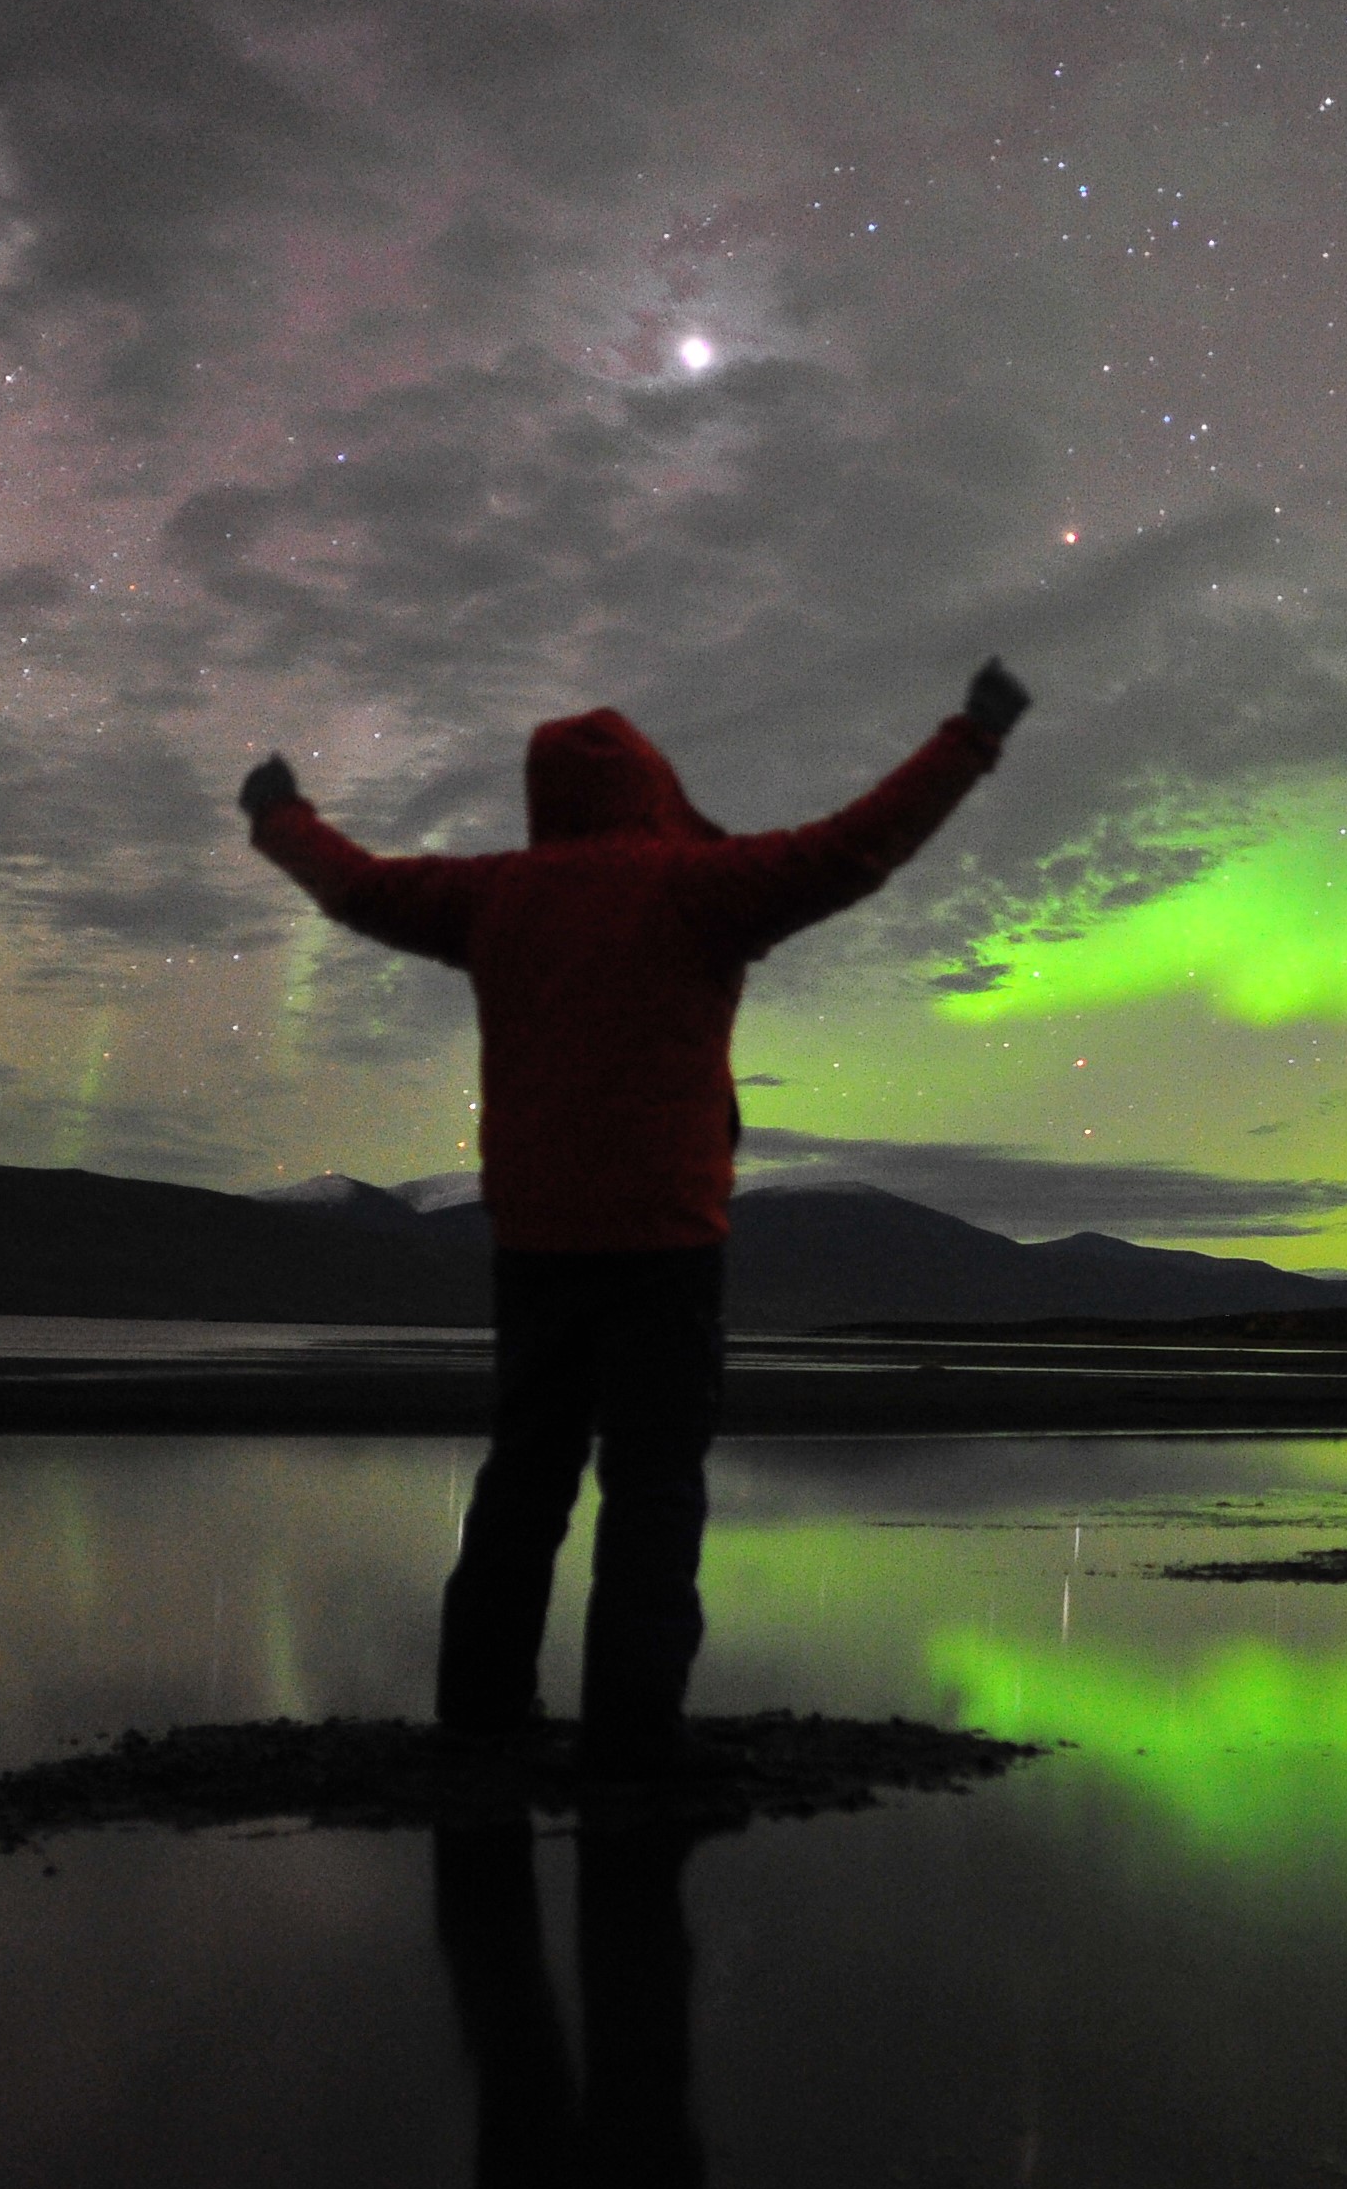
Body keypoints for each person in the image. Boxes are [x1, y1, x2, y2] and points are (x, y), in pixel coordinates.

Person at [241, 661, 1029, 1768]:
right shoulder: (697, 885)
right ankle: (632, 1731)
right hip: (665, 1241)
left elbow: (358, 886)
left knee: (524, 1478)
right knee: (653, 1490)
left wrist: (279, 815)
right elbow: (858, 843)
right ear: (650, 785)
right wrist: (971, 736)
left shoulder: (496, 895)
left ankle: (478, 1714)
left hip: (534, 1241)